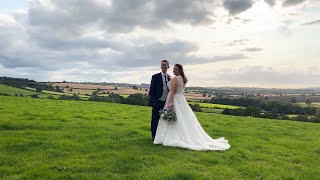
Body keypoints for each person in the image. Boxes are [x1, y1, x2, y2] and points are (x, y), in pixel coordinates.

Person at [154, 64, 231, 151]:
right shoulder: (183, 79)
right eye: (174, 69)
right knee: (182, 119)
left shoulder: (175, 78)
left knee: (175, 119)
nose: (174, 71)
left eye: (176, 69)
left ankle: (174, 137)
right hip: (181, 100)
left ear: (180, 70)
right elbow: (181, 92)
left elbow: (173, 91)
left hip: (175, 99)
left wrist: (169, 102)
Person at [148, 60, 171, 141]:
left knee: (164, 120)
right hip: (157, 101)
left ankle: (163, 136)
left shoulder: (169, 77)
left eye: (165, 65)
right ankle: (154, 137)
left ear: (168, 67)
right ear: (161, 66)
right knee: (155, 120)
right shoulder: (155, 76)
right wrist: (153, 102)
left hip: (166, 102)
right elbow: (151, 90)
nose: (164, 66)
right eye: (162, 65)